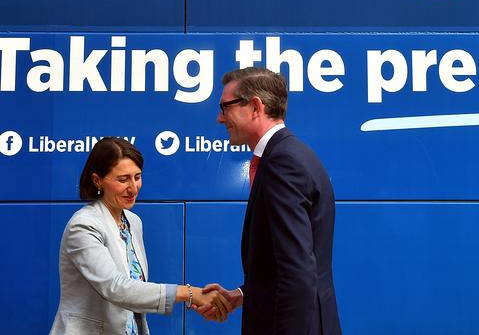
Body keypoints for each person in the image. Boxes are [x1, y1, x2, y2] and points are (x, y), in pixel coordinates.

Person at [198, 67, 342, 334]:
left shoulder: (282, 162)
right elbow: (283, 265)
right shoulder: (289, 155)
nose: (219, 118)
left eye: (225, 107)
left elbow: (298, 271)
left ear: (255, 106)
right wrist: (242, 294)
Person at [50, 137, 231, 335]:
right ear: (97, 180)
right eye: (123, 179)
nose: (133, 187)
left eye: (137, 177)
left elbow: (136, 291)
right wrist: (189, 293)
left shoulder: (133, 221)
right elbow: (115, 287)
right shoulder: (84, 224)